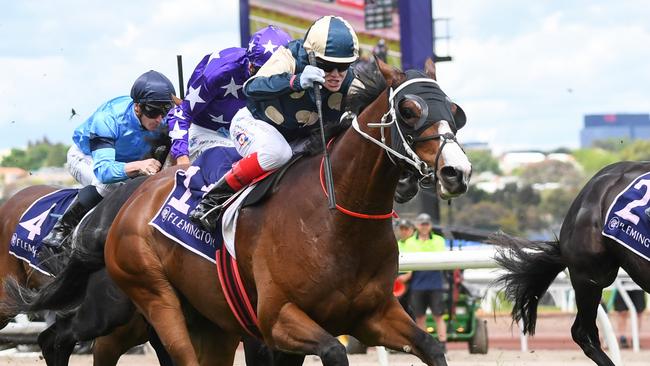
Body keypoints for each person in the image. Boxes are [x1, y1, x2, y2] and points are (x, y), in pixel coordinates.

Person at [190, 15, 359, 231]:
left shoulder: (351, 81)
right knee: (277, 153)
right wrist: (295, 81)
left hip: (300, 138)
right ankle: (212, 200)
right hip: (255, 124)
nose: (336, 75)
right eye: (327, 66)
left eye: (343, 67)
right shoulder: (289, 56)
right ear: (311, 56)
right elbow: (251, 87)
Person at [41, 70, 177, 248]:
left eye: (165, 112)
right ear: (137, 107)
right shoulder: (107, 119)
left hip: (128, 160)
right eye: (154, 113)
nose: (160, 119)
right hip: (87, 157)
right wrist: (139, 165)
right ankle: (62, 229)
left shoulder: (163, 117)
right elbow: (105, 171)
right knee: (110, 184)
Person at [167, 26, 292, 164]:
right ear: (251, 66)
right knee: (237, 159)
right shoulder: (220, 72)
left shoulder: (290, 70)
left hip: (247, 131)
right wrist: (182, 157)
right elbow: (182, 113)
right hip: (207, 132)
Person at [399, 213, 448, 351]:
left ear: (430, 225)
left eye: (426, 224)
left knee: (438, 315)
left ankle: (443, 344)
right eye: (422, 224)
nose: (424, 227)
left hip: (434, 281)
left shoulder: (439, 240)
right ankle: (426, 344)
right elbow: (410, 262)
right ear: (417, 226)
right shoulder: (409, 242)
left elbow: (439, 258)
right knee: (420, 317)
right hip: (417, 282)